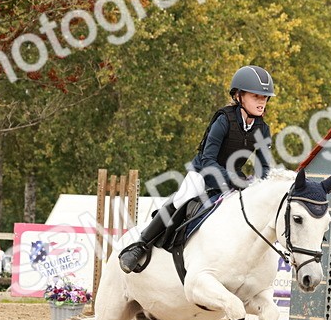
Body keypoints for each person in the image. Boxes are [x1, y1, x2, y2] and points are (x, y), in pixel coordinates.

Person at [118, 65, 276, 273]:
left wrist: (259, 186)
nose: (262, 102)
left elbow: (265, 166)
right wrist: (227, 181)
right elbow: (209, 158)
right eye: (256, 96)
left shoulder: (262, 129)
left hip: (234, 176)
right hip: (203, 171)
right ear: (239, 96)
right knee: (182, 197)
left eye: (265, 97)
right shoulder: (223, 120)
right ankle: (141, 245)